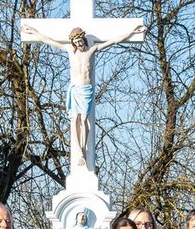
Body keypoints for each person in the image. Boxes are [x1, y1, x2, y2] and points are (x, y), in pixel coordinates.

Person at [19, 22, 144, 168]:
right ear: (73, 42)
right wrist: (33, 31)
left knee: (84, 120)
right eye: (75, 42)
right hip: (76, 90)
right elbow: (49, 40)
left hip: (86, 91)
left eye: (79, 41)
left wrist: (132, 32)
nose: (78, 44)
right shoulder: (70, 51)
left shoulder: (91, 51)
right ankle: (80, 152)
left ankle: (84, 152)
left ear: (83, 39)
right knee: (75, 120)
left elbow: (114, 40)